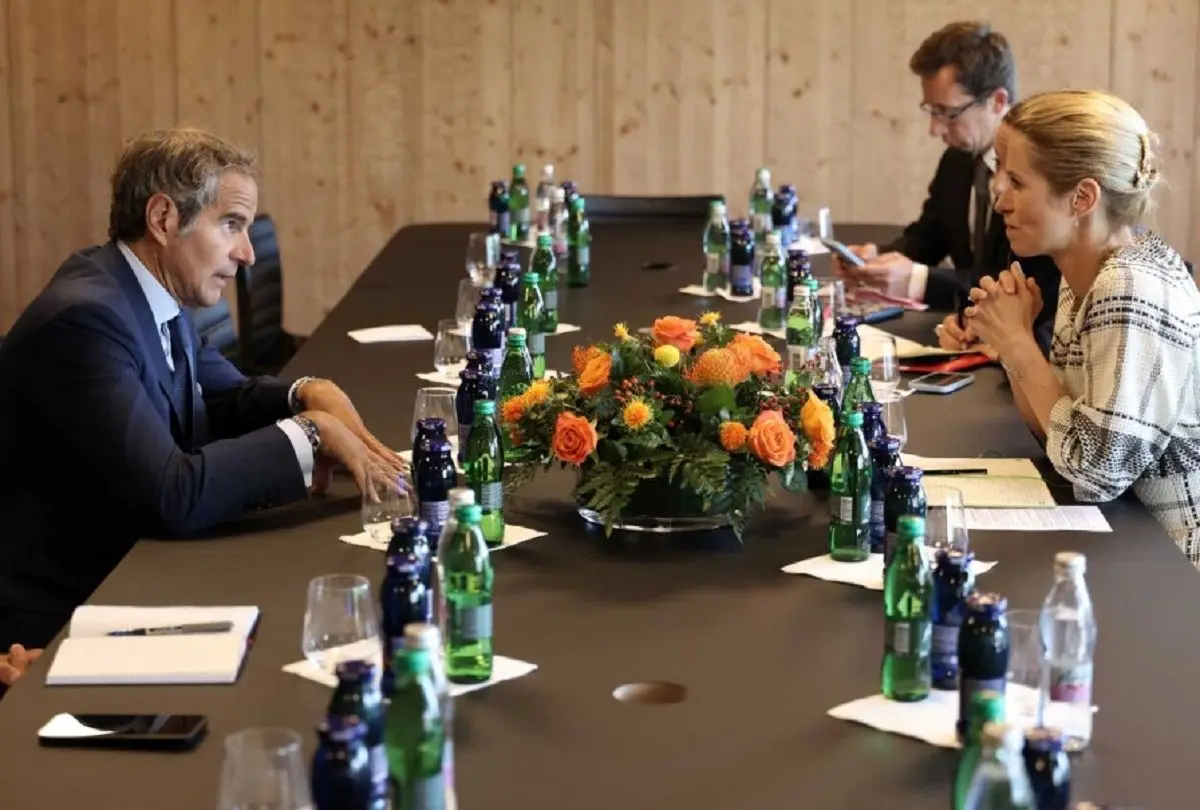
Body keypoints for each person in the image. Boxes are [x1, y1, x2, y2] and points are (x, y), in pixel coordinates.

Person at [0, 128, 406, 650]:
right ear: (163, 219)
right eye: (231, 224)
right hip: (62, 608)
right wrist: (311, 434)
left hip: (133, 560)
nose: (247, 253)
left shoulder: (139, 289)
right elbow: (172, 493)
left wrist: (305, 392)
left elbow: (222, 395)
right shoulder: (86, 320)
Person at [964, 89, 1200, 565]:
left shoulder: (1129, 287)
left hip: (1173, 568)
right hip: (1130, 545)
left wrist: (1017, 342)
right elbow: (1060, 441)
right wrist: (1012, 344)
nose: (999, 198)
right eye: (999, 173)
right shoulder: (1086, 276)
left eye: (1017, 181)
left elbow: (1096, 472)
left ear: (1083, 197)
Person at [832, 21, 1061, 355]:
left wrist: (916, 281)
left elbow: (1016, 287)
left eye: (948, 113)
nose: (935, 129)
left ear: (997, 101)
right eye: (931, 110)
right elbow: (929, 236)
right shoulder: (957, 159)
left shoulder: (1040, 178)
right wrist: (873, 261)